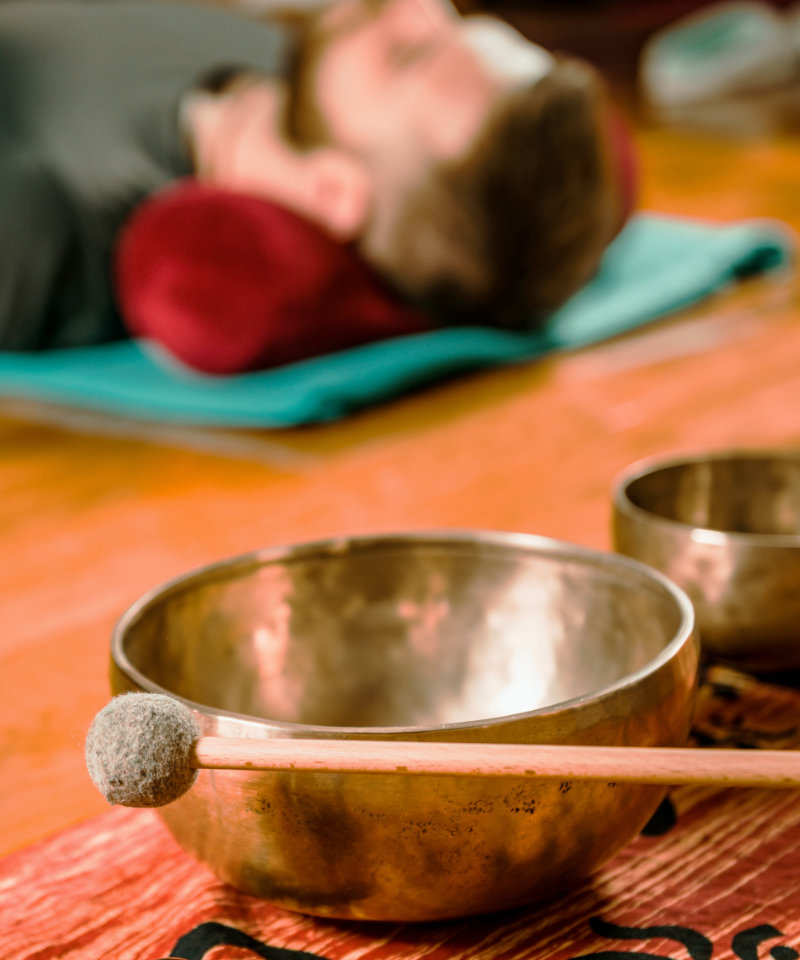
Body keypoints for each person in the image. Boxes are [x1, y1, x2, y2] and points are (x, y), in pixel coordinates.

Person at [0, 0, 630, 355]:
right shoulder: (277, 62)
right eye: (453, 22)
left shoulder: (44, 227)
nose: (415, 6)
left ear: (335, 193)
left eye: (404, 55)